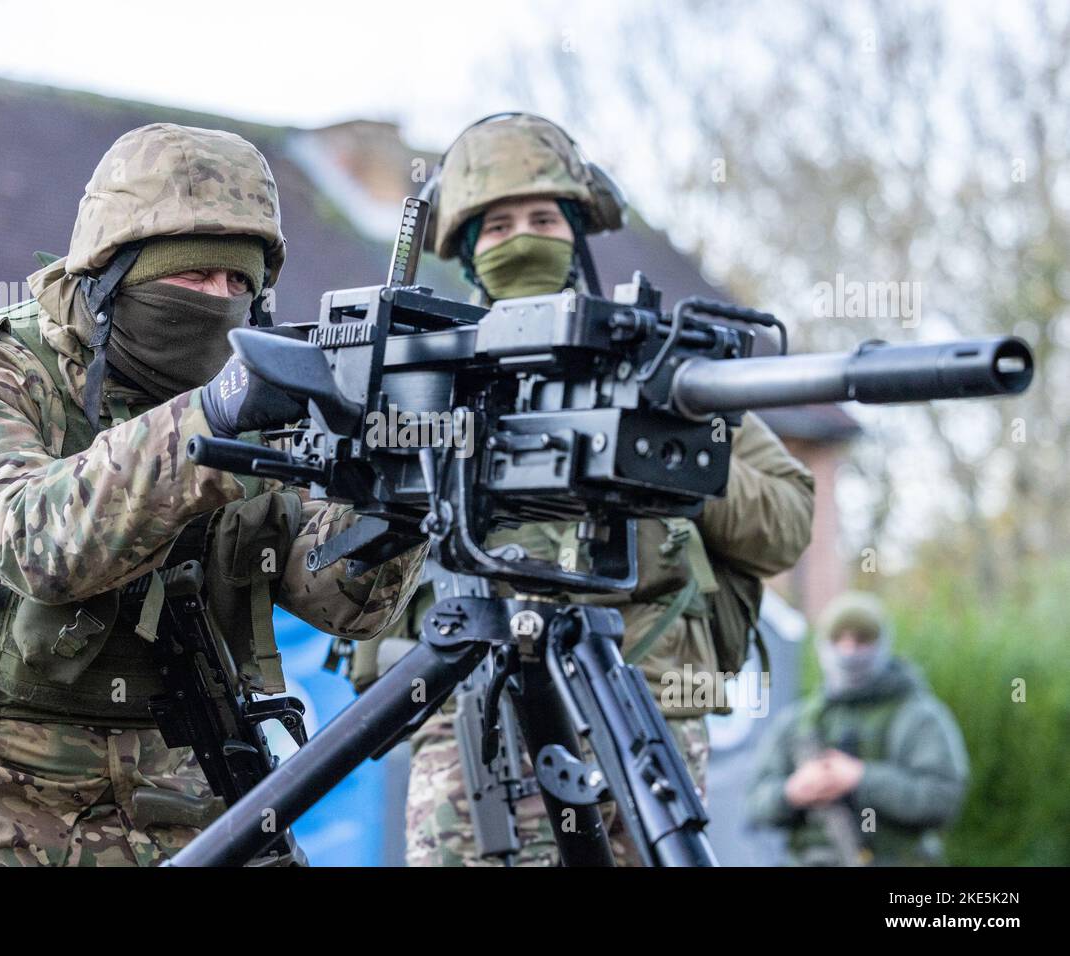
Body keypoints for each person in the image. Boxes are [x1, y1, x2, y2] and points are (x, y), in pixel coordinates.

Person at [0, 123, 423, 867]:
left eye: (240, 284)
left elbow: (341, 602)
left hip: (175, 789)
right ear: (110, 274)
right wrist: (214, 416)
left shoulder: (259, 398)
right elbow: (35, 544)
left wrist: (400, 480)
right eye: (193, 276)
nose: (219, 300)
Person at [349, 113, 816, 866]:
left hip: (646, 707)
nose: (524, 237)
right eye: (497, 226)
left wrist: (666, 457)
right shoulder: (429, 372)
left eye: (543, 218)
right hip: (472, 714)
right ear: (467, 251)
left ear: (577, 230)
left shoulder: (658, 365)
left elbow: (787, 522)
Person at [746, 591, 968, 866]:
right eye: (839, 640)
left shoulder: (916, 716)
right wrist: (792, 792)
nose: (849, 652)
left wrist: (860, 779)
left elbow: (942, 798)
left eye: (862, 640)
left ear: (882, 644)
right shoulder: (798, 721)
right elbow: (755, 803)